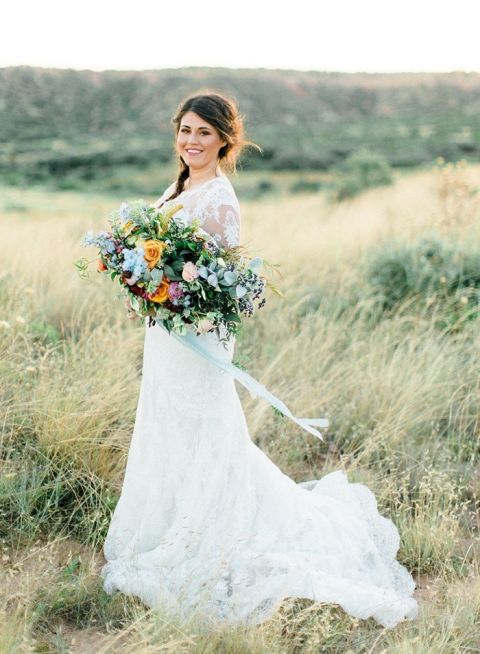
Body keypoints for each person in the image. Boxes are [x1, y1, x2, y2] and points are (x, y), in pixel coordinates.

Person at [101, 93, 419, 629]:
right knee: (168, 428)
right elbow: (164, 258)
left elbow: (223, 289)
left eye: (204, 133)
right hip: (167, 337)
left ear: (226, 139)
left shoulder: (219, 199)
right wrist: (144, 286)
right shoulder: (180, 185)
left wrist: (175, 299)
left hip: (197, 342)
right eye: (185, 130)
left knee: (205, 431)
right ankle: (170, 522)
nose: (192, 141)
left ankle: (212, 533)